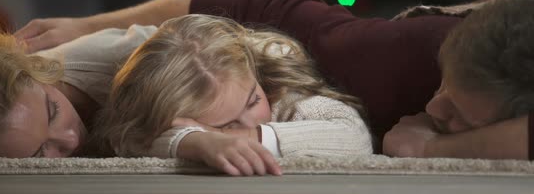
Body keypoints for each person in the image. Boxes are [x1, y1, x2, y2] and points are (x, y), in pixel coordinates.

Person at [16, 0, 534, 160]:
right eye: (441, 86)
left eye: (459, 110)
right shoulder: (398, 52)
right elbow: (260, 2)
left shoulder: (292, 94)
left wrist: (435, 147)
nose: (435, 106)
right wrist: (92, 23)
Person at [93, 14, 373, 176]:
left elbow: (354, 136)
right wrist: (198, 142)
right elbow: (130, 139)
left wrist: (245, 139)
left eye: (252, 101)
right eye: (226, 125)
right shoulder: (157, 118)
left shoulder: (278, 87)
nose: (251, 122)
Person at [0, 24, 157, 163]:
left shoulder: (123, 57)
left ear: (36, 73)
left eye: (53, 111)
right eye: (41, 152)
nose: (71, 140)